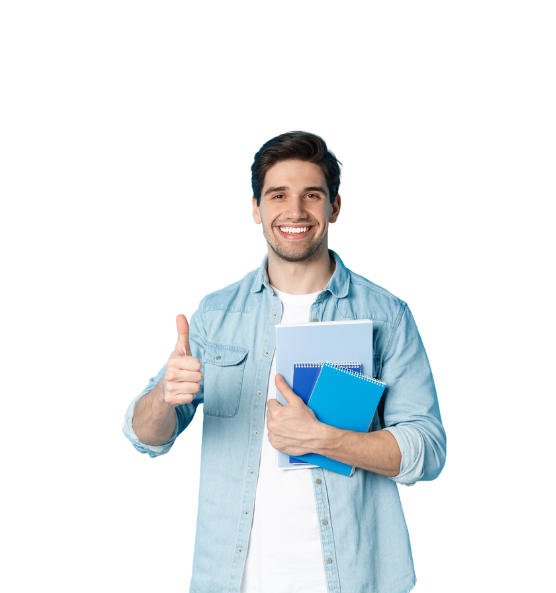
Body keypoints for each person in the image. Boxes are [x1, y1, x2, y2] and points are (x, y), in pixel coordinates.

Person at [121, 130, 448, 593]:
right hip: (232, 580)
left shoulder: (387, 316)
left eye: (311, 195)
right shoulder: (215, 314)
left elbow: (428, 452)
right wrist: (164, 396)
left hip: (358, 579)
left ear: (335, 208)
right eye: (278, 195)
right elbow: (145, 437)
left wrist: (324, 438)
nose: (295, 212)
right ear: (254, 209)